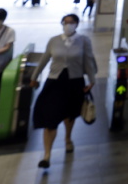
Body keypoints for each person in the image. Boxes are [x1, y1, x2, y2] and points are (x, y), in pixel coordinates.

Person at [30, 14, 96, 168]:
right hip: (54, 82)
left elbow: (88, 61)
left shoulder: (84, 41)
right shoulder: (54, 40)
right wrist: (34, 77)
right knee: (50, 117)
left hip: (74, 82)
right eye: (65, 22)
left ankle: (68, 139)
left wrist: (92, 80)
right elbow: (44, 59)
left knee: (70, 114)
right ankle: (47, 156)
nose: (68, 25)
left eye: (71, 22)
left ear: (77, 24)